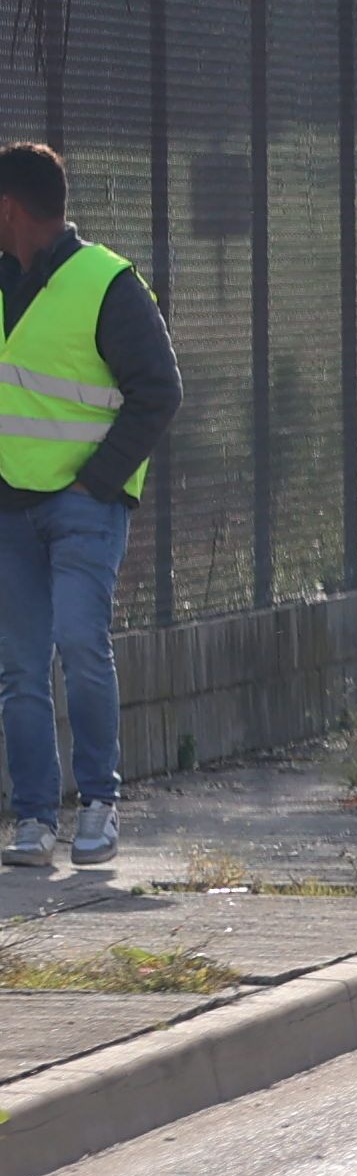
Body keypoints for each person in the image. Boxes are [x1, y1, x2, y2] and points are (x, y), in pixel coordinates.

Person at [0, 144, 180, 870]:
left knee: (78, 645)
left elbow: (159, 391)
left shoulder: (107, 284)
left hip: (83, 507)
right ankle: (35, 819)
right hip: (11, 513)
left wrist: (97, 482)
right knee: (18, 669)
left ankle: (99, 805)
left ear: (9, 207)